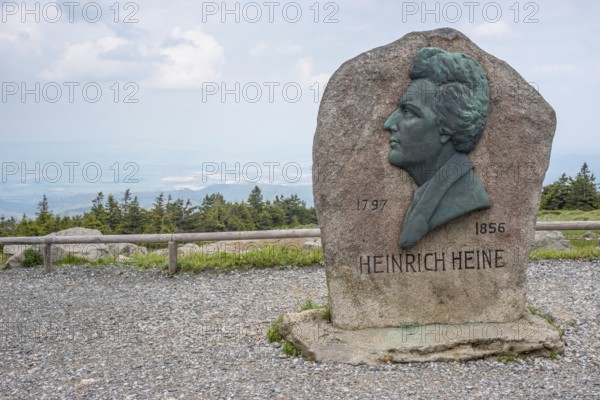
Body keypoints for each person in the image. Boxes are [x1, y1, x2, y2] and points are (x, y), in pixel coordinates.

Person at [383, 47, 491, 248]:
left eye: (408, 112)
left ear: (448, 126)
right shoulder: (429, 191)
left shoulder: (465, 196)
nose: (389, 123)